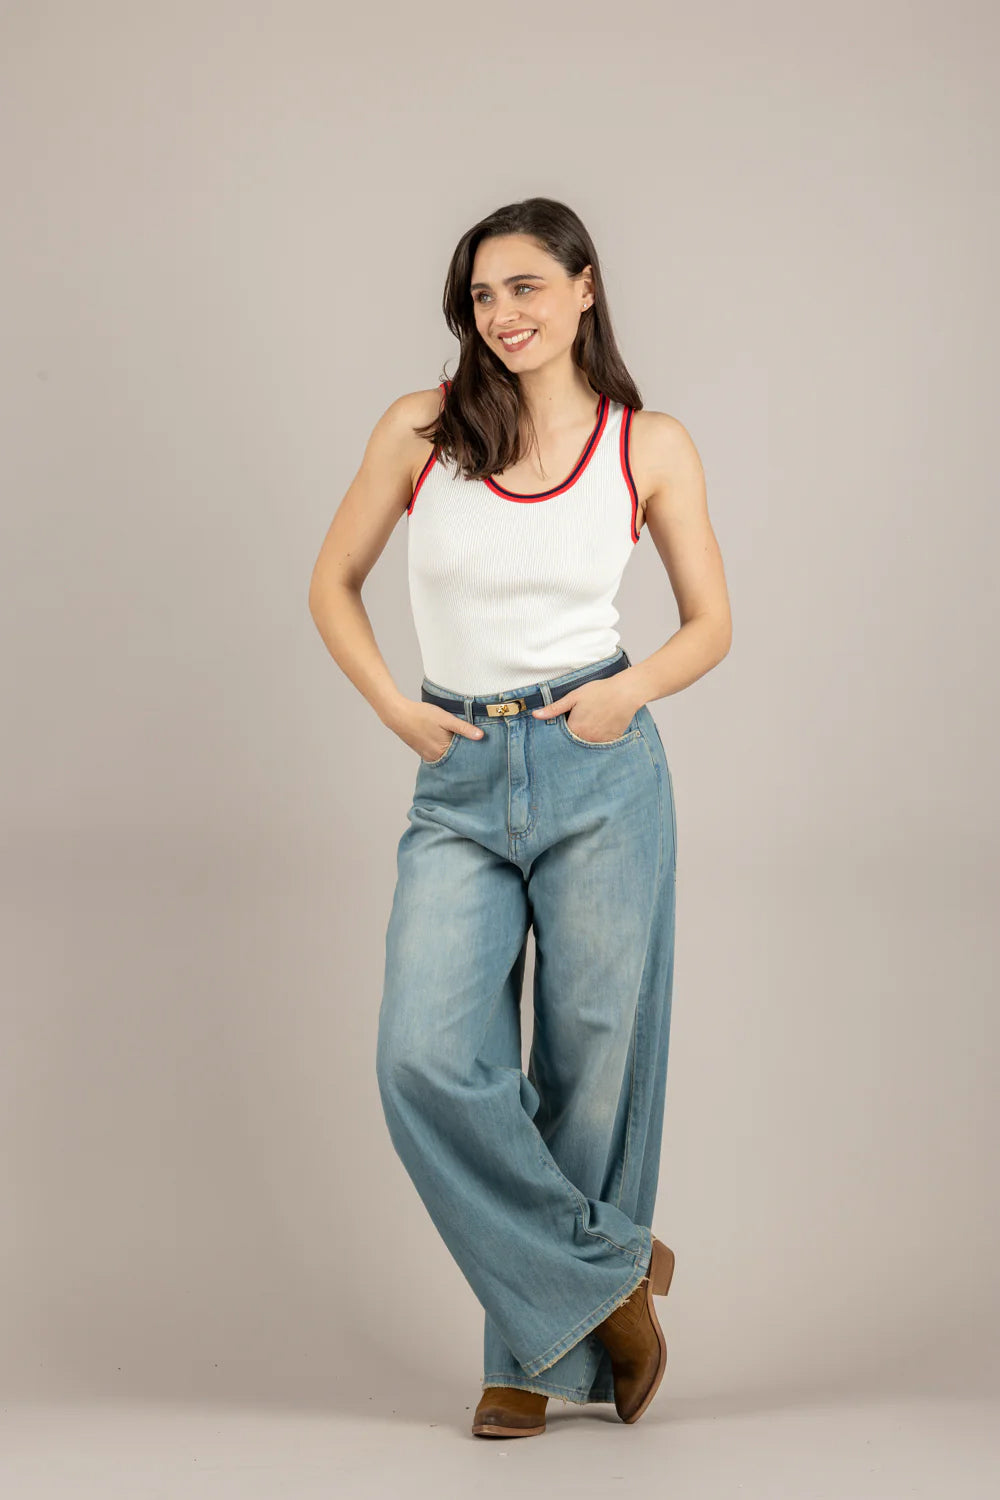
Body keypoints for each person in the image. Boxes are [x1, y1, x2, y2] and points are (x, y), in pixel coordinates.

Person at [308, 196, 731, 1438]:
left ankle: (528, 1361)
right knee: (423, 1057)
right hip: (459, 771)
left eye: (525, 288)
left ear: (584, 288)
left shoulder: (647, 445)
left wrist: (628, 694)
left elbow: (710, 623)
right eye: (482, 296)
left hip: (600, 768)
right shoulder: (422, 429)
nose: (502, 315)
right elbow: (332, 581)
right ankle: (608, 1274)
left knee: (589, 1071)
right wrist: (394, 707)